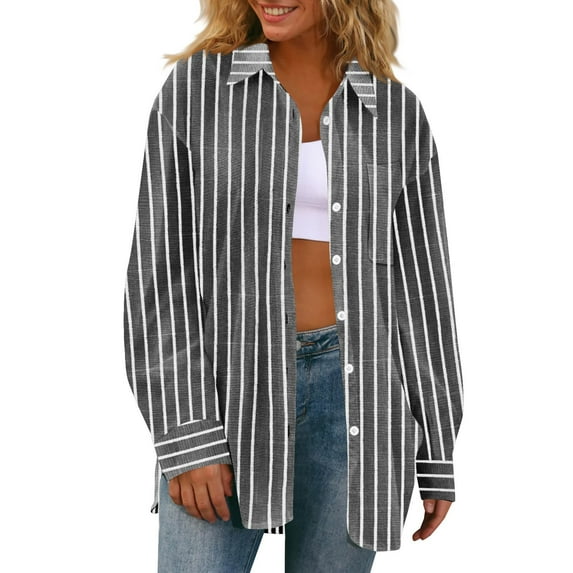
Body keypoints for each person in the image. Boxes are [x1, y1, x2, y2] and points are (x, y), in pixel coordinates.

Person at [122, 0, 465, 571]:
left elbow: (423, 288)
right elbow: (159, 273)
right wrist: (185, 432)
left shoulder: (396, 112)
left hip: (360, 405)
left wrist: (437, 446)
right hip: (229, 395)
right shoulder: (196, 91)